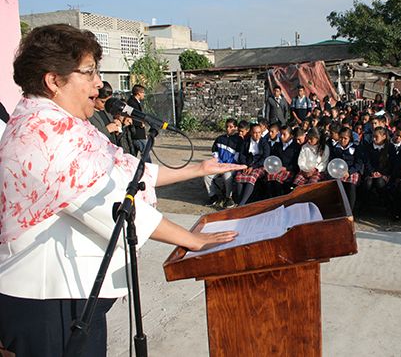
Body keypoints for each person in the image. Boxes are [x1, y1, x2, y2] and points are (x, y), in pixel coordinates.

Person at [0, 24, 244, 357]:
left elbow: (124, 170)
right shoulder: (43, 135)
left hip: (68, 294)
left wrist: (198, 169)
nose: (99, 83)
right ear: (53, 80)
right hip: (49, 298)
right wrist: (193, 239)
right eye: (89, 73)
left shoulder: (62, 124)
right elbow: (113, 202)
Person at [204, 118, 243, 208]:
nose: (228, 129)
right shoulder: (220, 139)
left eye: (231, 127)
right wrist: (219, 163)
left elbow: (237, 157)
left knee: (227, 175)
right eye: (227, 127)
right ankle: (213, 197)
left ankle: (228, 198)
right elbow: (215, 151)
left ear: (236, 128)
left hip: (231, 167)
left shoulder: (239, 141)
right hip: (219, 165)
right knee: (207, 176)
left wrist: (226, 166)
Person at [234, 123, 271, 206]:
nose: (256, 135)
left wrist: (253, 166)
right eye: (254, 132)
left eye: (258, 132)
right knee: (239, 177)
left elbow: (265, 157)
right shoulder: (246, 142)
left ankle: (241, 204)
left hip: (259, 165)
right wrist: (245, 165)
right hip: (247, 164)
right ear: (251, 133)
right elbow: (242, 155)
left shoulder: (265, 143)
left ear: (261, 133)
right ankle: (240, 200)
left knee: (251, 177)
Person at [330, 127, 363, 210]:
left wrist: (349, 171)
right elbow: (332, 161)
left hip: (352, 171)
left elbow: (359, 163)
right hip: (338, 171)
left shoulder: (355, 148)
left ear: (350, 138)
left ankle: (350, 210)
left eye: (345, 138)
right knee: (337, 185)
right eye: (341, 138)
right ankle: (338, 208)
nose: (343, 140)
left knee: (351, 186)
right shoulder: (335, 148)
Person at [266, 125, 300, 197]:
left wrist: (287, 168)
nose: (281, 136)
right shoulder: (278, 145)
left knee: (277, 182)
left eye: (284, 134)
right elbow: (274, 157)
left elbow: (296, 163)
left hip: (289, 170)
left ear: (291, 136)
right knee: (269, 179)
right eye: (281, 134)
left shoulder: (296, 147)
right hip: (277, 169)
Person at [89, 81, 120, 145]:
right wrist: (107, 130)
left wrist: (118, 128)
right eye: (103, 102)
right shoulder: (88, 114)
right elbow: (90, 138)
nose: (106, 105)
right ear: (94, 98)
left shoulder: (107, 111)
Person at [127, 84, 151, 162]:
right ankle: (149, 169)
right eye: (143, 92)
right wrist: (140, 123)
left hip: (139, 133)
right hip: (137, 134)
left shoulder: (135, 102)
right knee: (145, 153)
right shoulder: (131, 103)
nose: (144, 94)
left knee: (133, 155)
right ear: (138, 93)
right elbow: (129, 116)